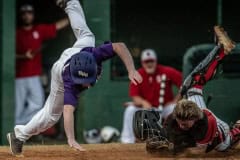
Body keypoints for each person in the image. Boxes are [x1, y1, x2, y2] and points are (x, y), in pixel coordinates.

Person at [7, 0, 142, 156]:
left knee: (87, 35)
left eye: (86, 81)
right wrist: (71, 139)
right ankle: (19, 136)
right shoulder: (68, 81)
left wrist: (131, 70)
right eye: (83, 83)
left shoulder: (95, 54)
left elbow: (119, 46)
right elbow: (68, 110)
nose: (86, 86)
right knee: (51, 116)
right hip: (60, 68)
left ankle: (70, 2)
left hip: (80, 49)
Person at [134, 26, 240, 153]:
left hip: (217, 131)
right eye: (180, 121)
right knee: (191, 85)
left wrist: (173, 151)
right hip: (197, 114)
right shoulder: (174, 119)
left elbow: (199, 152)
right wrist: (161, 141)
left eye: (185, 123)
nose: (181, 125)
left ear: (194, 119)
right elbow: (163, 141)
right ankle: (221, 49)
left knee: (225, 145)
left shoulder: (207, 123)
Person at [15, 4, 69, 125]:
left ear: (33, 15)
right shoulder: (16, 33)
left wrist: (72, 14)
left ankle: (17, 125)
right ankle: (14, 127)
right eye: (24, 13)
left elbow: (58, 26)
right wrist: (23, 56)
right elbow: (7, 55)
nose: (27, 16)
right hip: (19, 76)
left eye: (29, 13)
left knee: (38, 103)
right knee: (17, 106)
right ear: (20, 16)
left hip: (34, 75)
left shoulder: (38, 30)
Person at [121, 49, 182, 143]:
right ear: (142, 63)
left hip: (165, 108)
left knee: (175, 108)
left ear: (156, 61)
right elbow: (135, 97)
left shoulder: (166, 71)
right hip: (147, 109)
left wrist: (176, 100)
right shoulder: (138, 74)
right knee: (130, 110)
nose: (149, 64)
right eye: (146, 62)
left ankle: (178, 139)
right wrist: (143, 102)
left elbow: (184, 84)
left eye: (151, 61)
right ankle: (127, 141)